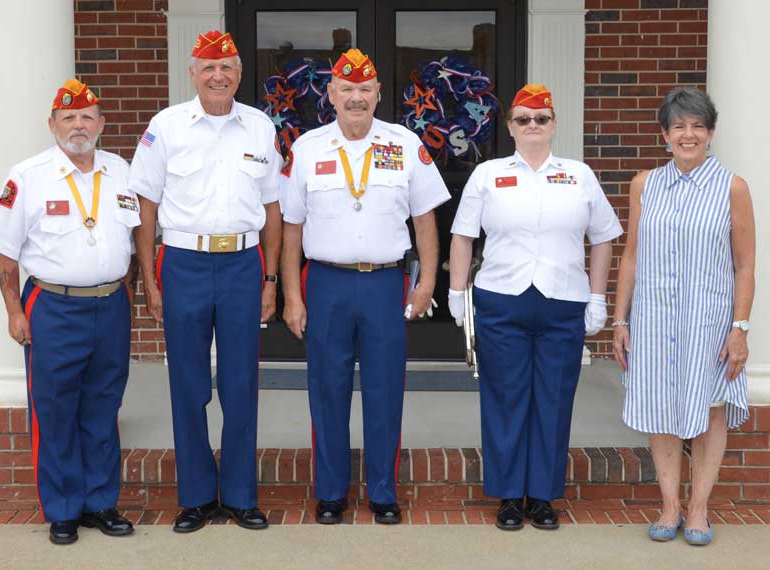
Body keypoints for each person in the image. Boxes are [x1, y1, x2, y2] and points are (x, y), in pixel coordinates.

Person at [280, 48, 450, 525]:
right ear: (331, 94)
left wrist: (427, 282)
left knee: (384, 389)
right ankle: (331, 492)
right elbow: (291, 228)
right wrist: (292, 295)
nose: (356, 98)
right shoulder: (308, 148)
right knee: (326, 389)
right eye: (346, 89)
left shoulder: (404, 144)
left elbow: (425, 220)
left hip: (384, 283)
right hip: (326, 282)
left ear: (378, 94)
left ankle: (383, 491)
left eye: (365, 90)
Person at [448, 84, 623, 531]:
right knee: (505, 398)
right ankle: (509, 496)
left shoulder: (579, 174)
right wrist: (455, 293)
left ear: (553, 125)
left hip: (562, 300)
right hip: (501, 298)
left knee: (553, 399)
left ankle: (542, 496)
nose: (532, 126)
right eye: (523, 119)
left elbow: (603, 235)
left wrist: (597, 296)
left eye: (541, 119)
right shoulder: (487, 173)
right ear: (509, 127)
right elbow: (463, 236)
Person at [128, 31, 282, 533]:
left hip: (242, 265)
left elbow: (272, 208)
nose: (219, 76)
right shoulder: (165, 126)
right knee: (187, 384)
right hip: (184, 265)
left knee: (241, 385)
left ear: (239, 74)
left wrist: (270, 278)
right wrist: (150, 280)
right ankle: (195, 496)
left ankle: (240, 496)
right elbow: (145, 207)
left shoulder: (260, 127)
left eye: (229, 68)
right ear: (192, 73)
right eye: (209, 68)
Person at [0, 80, 139, 545]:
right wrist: (14, 311)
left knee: (104, 406)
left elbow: (130, 240)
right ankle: (64, 508)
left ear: (102, 125)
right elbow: (4, 253)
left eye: (87, 117)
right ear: (52, 125)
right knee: (54, 409)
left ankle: (101, 503)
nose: (78, 125)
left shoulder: (121, 171)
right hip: (52, 306)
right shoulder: (27, 176)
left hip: (110, 306)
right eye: (68, 118)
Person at [612, 87, 755, 546]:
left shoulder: (732, 187)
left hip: (709, 322)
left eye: (697, 126)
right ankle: (669, 505)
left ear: (710, 133)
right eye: (679, 126)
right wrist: (620, 319)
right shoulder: (644, 184)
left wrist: (740, 327)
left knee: (710, 411)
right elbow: (631, 255)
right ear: (665, 135)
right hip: (653, 318)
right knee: (660, 410)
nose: (688, 134)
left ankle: (699, 510)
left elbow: (745, 264)